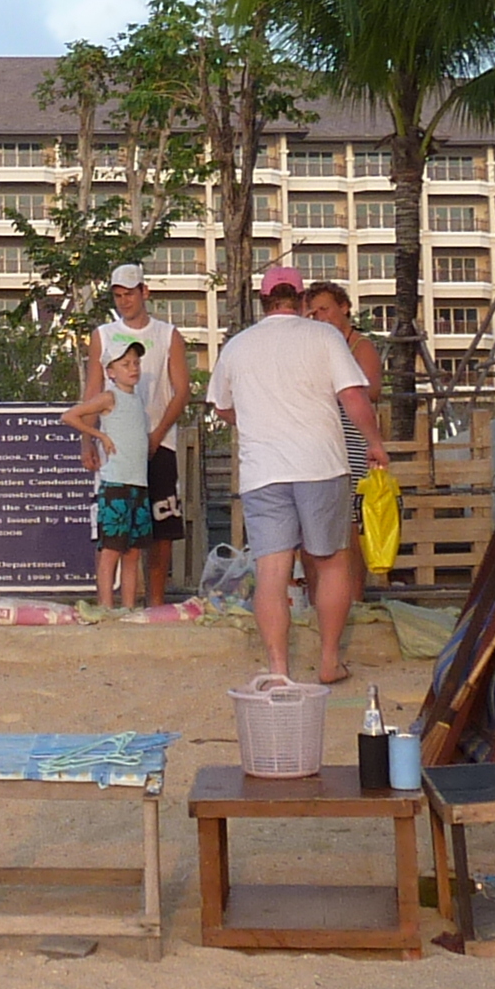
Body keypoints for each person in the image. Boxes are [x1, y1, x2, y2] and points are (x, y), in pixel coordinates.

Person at [208, 263, 385, 684]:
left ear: (263, 302)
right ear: (302, 300)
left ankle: (278, 667)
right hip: (320, 465)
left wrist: (253, 420)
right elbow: (354, 397)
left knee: (272, 570)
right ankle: (328, 660)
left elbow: (221, 406)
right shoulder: (323, 336)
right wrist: (375, 442)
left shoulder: (237, 346)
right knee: (331, 563)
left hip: (263, 471)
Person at [103, 264, 189, 603]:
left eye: (130, 293)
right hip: (119, 451)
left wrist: (157, 435)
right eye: (118, 295)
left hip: (159, 443)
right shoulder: (104, 334)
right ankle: (113, 603)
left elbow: (182, 390)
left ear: (144, 292)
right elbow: (92, 392)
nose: (124, 301)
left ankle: (155, 600)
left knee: (161, 528)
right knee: (116, 533)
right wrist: (89, 440)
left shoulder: (167, 334)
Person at [302, 280, 389, 604]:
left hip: (352, 441)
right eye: (313, 313)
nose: (320, 317)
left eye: (324, 309)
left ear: (344, 307)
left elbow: (372, 389)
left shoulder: (359, 345)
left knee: (351, 525)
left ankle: (355, 600)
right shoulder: (316, 345)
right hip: (320, 442)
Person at [62, 325, 159, 608]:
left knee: (132, 554)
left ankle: (128, 609)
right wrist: (100, 436)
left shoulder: (137, 400)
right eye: (125, 364)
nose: (133, 368)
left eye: (136, 363)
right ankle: (106, 607)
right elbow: (70, 416)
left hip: (138, 485)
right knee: (111, 552)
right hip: (116, 484)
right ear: (111, 371)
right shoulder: (109, 397)